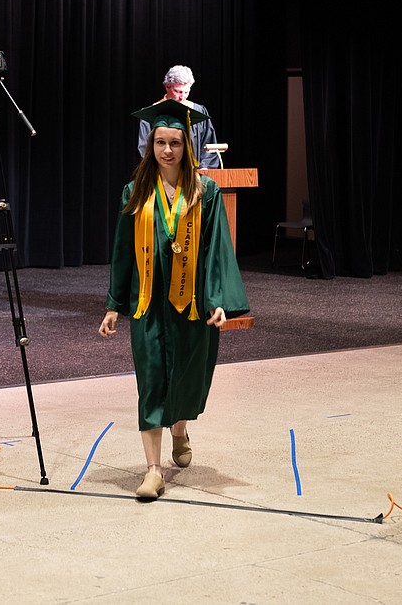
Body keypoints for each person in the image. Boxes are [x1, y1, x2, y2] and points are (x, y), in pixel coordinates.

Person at [101, 99, 249, 500]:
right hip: (148, 304)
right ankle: (153, 471)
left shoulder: (207, 191)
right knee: (150, 383)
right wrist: (114, 304)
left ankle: (180, 428)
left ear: (189, 146)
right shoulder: (136, 192)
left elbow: (218, 247)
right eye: (160, 142)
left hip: (192, 304)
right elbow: (122, 251)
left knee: (186, 377)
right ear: (151, 146)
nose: (167, 150)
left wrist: (220, 300)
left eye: (176, 143)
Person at [136, 65, 222, 169]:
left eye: (186, 92)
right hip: (162, 174)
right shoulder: (152, 113)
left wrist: (204, 169)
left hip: (194, 175)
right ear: (167, 86)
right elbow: (145, 147)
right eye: (178, 91)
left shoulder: (197, 110)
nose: (182, 97)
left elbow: (209, 145)